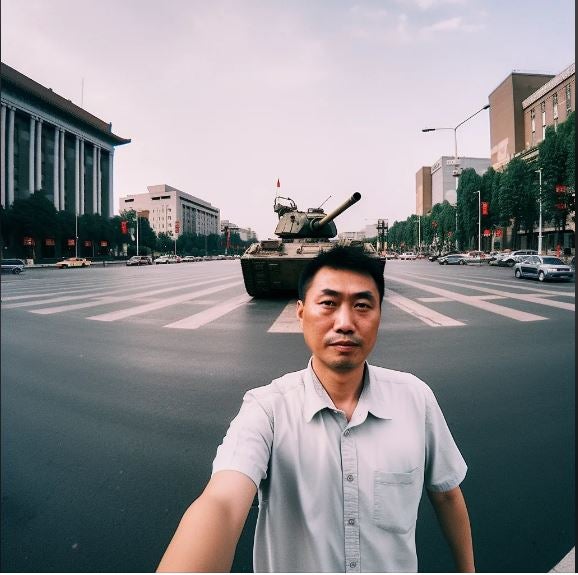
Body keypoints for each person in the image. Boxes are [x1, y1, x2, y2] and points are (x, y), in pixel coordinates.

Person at [157, 245, 475, 573]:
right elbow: (221, 504)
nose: (345, 323)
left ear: (380, 315)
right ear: (300, 313)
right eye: (328, 303)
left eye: (363, 305)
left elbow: (447, 495)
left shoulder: (415, 399)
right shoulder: (268, 409)